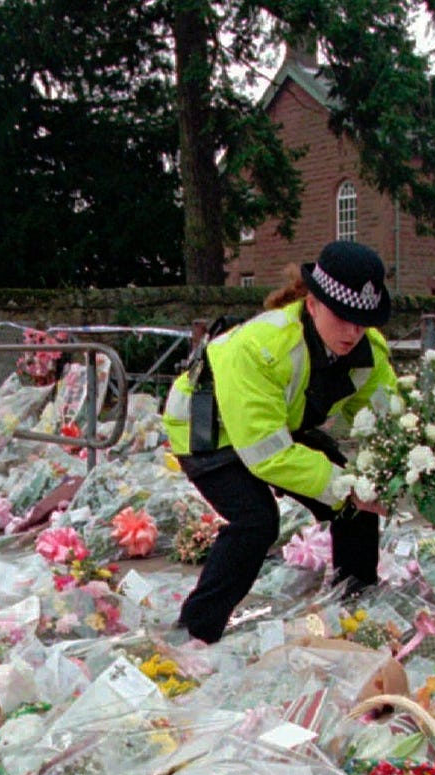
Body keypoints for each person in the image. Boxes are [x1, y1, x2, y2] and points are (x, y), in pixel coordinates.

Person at [163, 240, 398, 643]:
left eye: (364, 320)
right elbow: (268, 457)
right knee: (256, 520)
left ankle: (357, 610)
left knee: (354, 501)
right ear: (313, 305)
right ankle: (193, 633)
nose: (353, 332)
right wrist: (349, 488)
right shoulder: (262, 347)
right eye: (342, 317)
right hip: (205, 431)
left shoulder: (367, 352)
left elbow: (393, 420)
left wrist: (414, 479)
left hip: (275, 427)